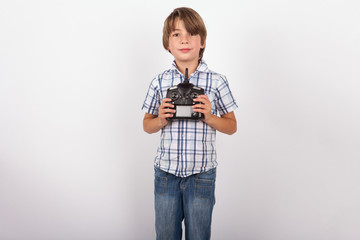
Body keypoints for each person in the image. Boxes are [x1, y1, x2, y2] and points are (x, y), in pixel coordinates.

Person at [142, 7, 238, 240]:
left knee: (199, 235)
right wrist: (162, 119)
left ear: (202, 41)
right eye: (176, 34)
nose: (184, 40)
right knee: (166, 235)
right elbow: (146, 125)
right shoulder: (159, 81)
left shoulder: (216, 81)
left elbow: (231, 126)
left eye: (191, 34)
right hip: (166, 171)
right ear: (167, 43)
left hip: (201, 173)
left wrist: (209, 116)